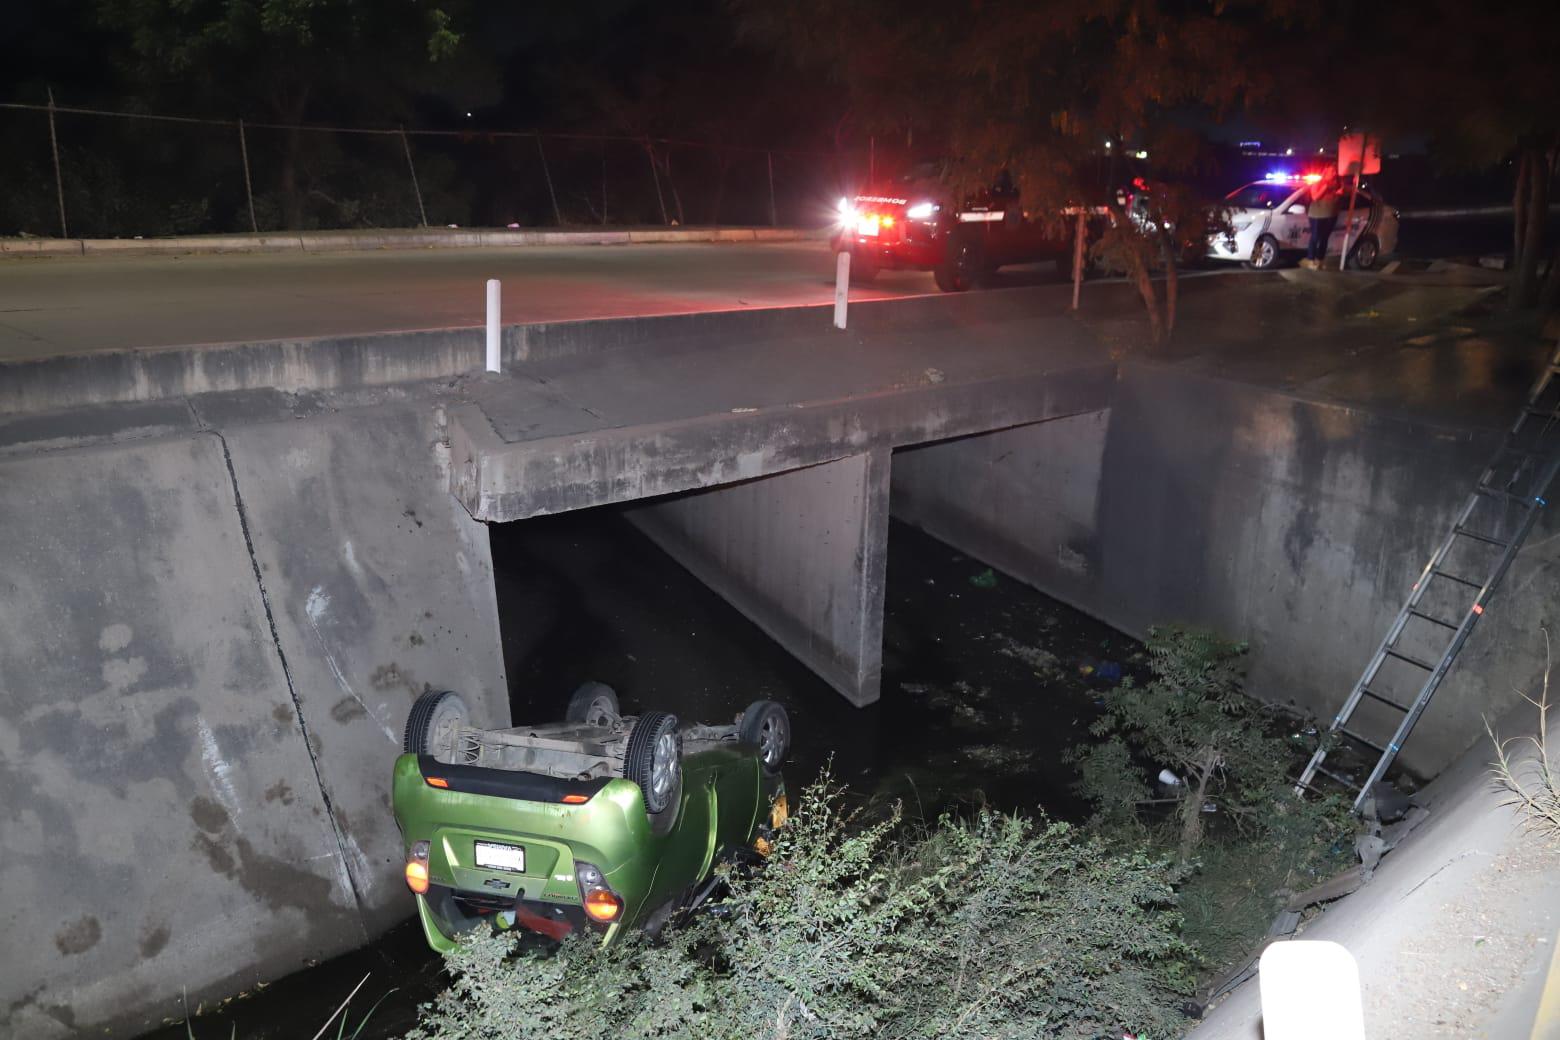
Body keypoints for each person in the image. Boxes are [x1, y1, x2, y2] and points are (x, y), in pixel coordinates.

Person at [1304, 174, 1341, 268]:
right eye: (1330, 170)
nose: (1333, 173)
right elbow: (1315, 197)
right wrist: (1325, 187)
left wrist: (1339, 193)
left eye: (1334, 171)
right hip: (1317, 214)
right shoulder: (1318, 182)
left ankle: (1320, 260)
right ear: (1325, 171)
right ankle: (1311, 260)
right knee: (1315, 237)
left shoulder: (1337, 183)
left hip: (1331, 213)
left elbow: (1338, 196)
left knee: (1324, 238)